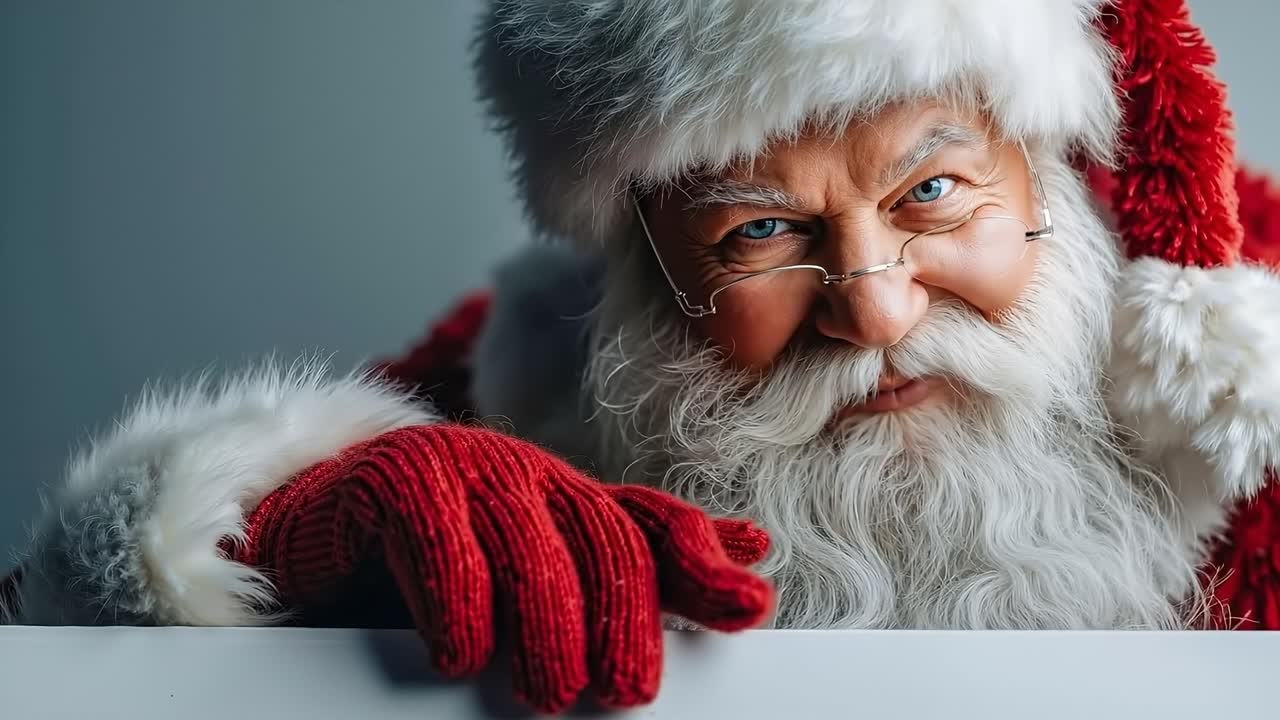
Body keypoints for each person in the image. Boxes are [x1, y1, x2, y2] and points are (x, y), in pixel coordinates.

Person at [4, 0, 1280, 713]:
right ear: (640, 275)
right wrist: (282, 527)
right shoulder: (522, 403)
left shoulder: (1236, 374)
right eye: (759, 232)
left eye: (934, 191)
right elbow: (42, 638)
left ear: (1052, 176)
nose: (877, 313)